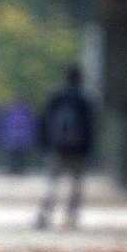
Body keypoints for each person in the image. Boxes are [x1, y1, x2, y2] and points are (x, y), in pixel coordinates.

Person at [36, 66, 95, 230]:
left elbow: (45, 120)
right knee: (76, 184)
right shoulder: (84, 98)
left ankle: (46, 215)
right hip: (78, 149)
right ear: (80, 79)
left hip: (57, 147)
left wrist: (45, 144)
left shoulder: (56, 96)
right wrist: (88, 149)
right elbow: (90, 126)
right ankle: (71, 216)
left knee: (52, 182)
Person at [3, 101, 34, 175]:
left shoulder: (11, 115)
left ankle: (15, 169)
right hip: (18, 138)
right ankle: (16, 169)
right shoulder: (24, 115)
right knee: (17, 155)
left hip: (15, 138)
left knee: (17, 155)